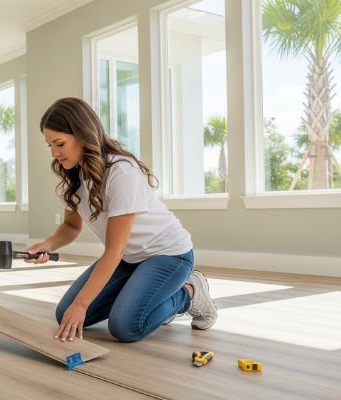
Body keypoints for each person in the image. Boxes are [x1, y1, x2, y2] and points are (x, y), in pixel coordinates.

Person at [26, 97, 217, 343]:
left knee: (126, 326)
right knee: (65, 313)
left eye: (59, 143)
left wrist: (82, 303)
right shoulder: (75, 176)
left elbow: (114, 250)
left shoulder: (121, 172)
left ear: (82, 135)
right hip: (129, 259)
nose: (54, 153)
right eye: (49, 145)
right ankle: (149, 298)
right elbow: (72, 226)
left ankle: (190, 292)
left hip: (168, 255)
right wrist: (48, 245)